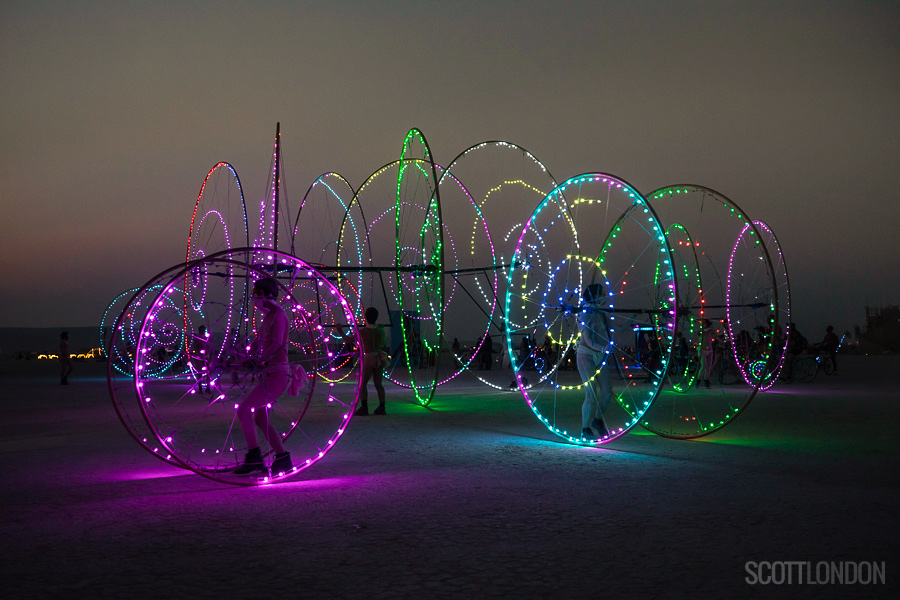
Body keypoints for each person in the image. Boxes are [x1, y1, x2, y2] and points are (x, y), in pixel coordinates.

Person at [233, 277, 292, 476]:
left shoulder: (280, 315)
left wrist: (257, 361)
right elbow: (260, 344)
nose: (254, 298)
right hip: (268, 373)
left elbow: (276, 344)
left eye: (256, 294)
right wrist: (242, 355)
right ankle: (283, 458)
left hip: (278, 373)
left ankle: (254, 457)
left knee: (243, 410)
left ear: (266, 294)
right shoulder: (267, 317)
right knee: (260, 418)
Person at [577, 283, 612, 438]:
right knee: (591, 395)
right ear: (594, 295)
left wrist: (635, 316)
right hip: (586, 354)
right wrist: (604, 348)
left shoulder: (601, 312)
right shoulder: (584, 312)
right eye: (601, 293)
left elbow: (620, 327)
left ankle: (597, 420)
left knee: (607, 392)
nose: (604, 295)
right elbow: (588, 340)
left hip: (600, 355)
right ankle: (585, 429)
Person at [355, 306, 388, 416]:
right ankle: (382, 407)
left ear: (366, 317)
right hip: (378, 358)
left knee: (363, 384)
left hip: (369, 358)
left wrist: (340, 330)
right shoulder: (380, 330)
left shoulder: (363, 331)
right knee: (379, 384)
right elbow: (383, 343)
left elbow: (350, 340)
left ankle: (364, 407)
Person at [193, 325, 210, 392]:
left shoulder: (206, 338)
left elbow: (209, 347)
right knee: (200, 372)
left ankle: (208, 387)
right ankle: (200, 387)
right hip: (200, 357)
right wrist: (197, 356)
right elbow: (195, 347)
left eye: (204, 330)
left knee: (208, 373)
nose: (203, 331)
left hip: (206, 357)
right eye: (201, 330)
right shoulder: (197, 338)